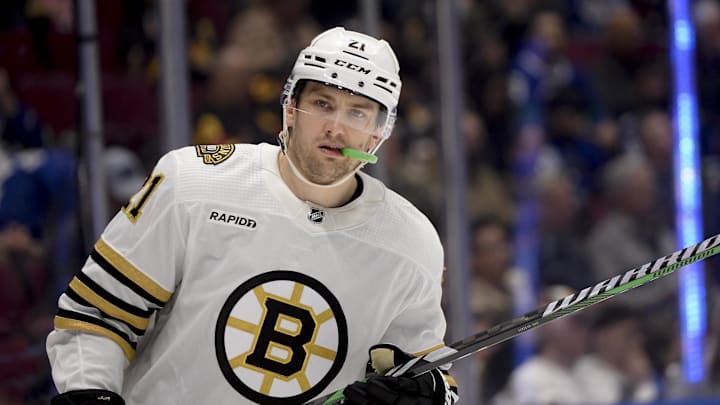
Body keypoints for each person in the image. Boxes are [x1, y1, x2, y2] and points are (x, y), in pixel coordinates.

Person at [46, 27, 459, 405]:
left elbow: (425, 374)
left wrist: (428, 395)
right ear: (291, 107)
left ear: (378, 132)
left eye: (357, 112)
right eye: (322, 103)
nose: (336, 127)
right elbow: (98, 314)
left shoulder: (410, 242)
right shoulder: (193, 183)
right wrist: (91, 393)